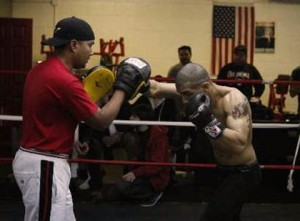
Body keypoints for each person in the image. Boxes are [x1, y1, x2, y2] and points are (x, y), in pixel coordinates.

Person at [12, 16, 150, 221]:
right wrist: (122, 88)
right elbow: (102, 120)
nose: (92, 51)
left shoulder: (40, 71)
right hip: (44, 164)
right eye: (89, 45)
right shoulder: (64, 80)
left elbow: (60, 113)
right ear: (74, 45)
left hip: (44, 161)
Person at [149, 63, 262, 220]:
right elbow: (155, 89)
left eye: (187, 94)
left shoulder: (233, 99)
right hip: (222, 170)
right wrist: (129, 81)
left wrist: (208, 123)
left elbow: (239, 143)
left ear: (206, 86)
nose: (184, 100)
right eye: (181, 94)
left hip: (243, 173)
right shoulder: (192, 90)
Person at [104, 104, 170, 207]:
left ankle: (154, 192)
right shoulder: (138, 133)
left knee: (121, 189)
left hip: (153, 178)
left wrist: (135, 173)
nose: (130, 118)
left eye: (134, 116)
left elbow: (157, 165)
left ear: (142, 117)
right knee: (113, 192)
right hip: (143, 174)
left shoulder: (158, 137)